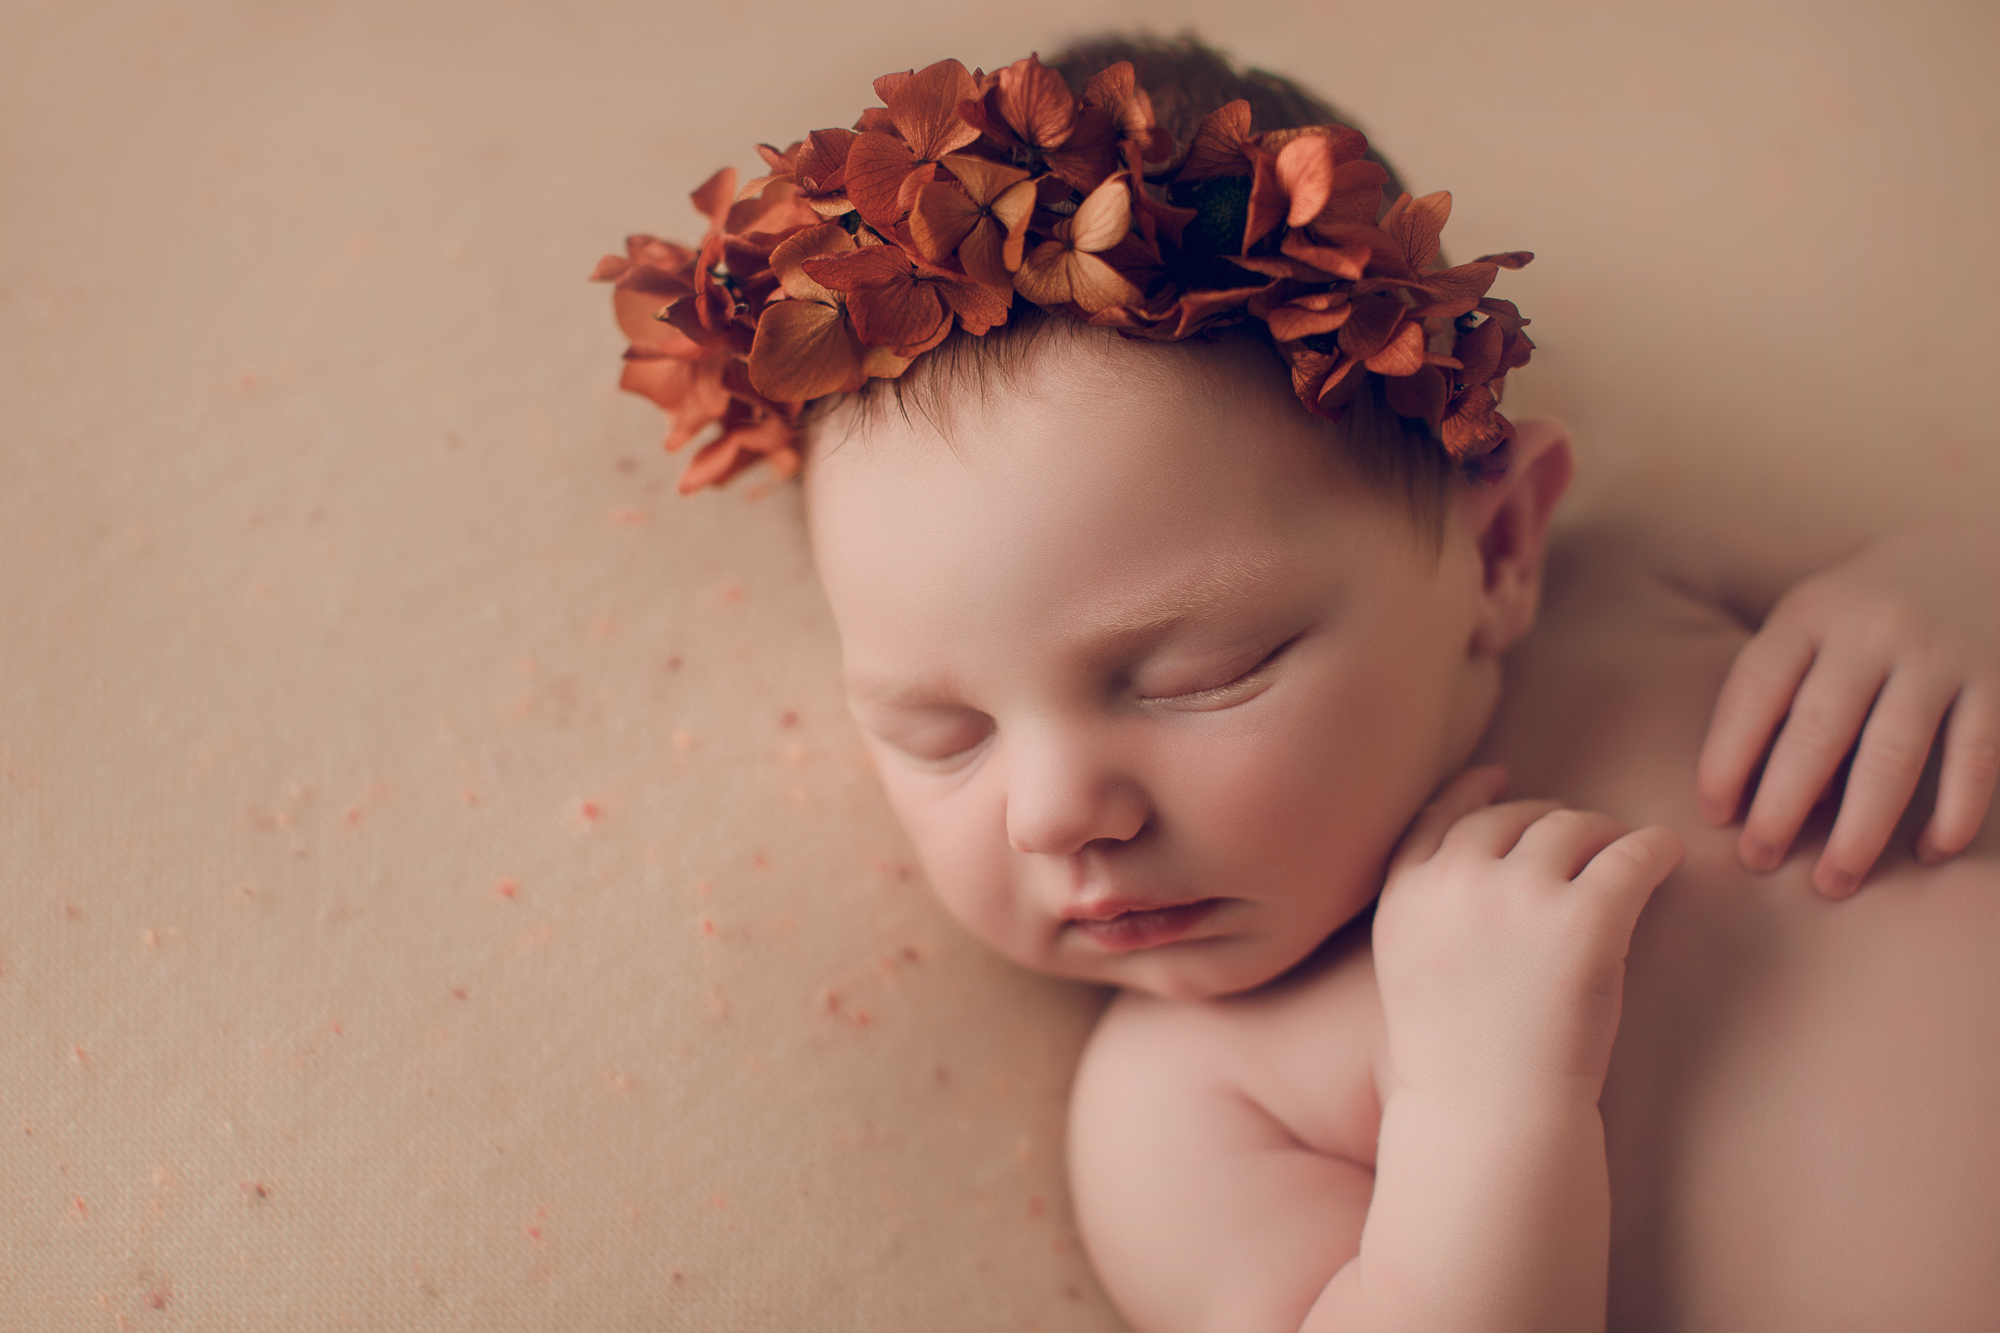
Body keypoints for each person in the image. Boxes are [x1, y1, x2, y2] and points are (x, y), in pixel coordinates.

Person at [594, 36, 2000, 1330]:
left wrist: (1950, 594)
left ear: (1500, 547)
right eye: (939, 732)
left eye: (1200, 674)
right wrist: (1482, 1101)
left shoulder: (1632, 588)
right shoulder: (1188, 1104)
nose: (1054, 812)